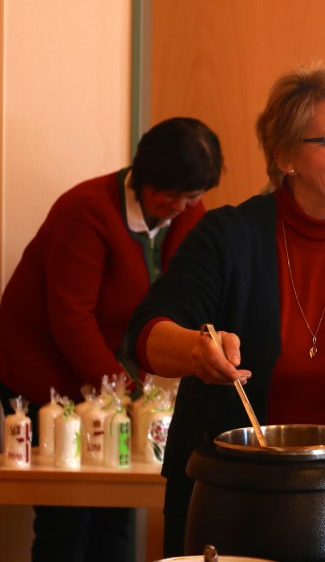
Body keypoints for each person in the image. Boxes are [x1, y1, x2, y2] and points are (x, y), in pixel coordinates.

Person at [125, 65, 325, 557]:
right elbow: (146, 334)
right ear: (285, 155)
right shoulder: (226, 237)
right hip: (228, 498)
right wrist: (196, 350)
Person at [0, 116, 223, 562]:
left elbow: (184, 298)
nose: (181, 206)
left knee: (114, 512)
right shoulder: (85, 211)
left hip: (114, 379)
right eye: (171, 194)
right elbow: (71, 320)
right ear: (143, 174)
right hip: (45, 371)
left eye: (192, 196)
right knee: (67, 518)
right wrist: (126, 393)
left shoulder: (188, 213)